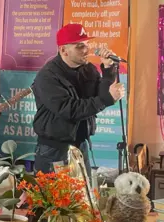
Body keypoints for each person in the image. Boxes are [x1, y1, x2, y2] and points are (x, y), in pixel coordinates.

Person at [32, 23, 126, 177]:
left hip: (80, 145)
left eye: (87, 44)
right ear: (64, 50)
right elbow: (70, 109)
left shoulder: (88, 69)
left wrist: (108, 70)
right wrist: (106, 99)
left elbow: (99, 94)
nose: (86, 49)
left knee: (83, 195)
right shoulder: (48, 76)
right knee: (56, 199)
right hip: (55, 150)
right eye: (79, 46)